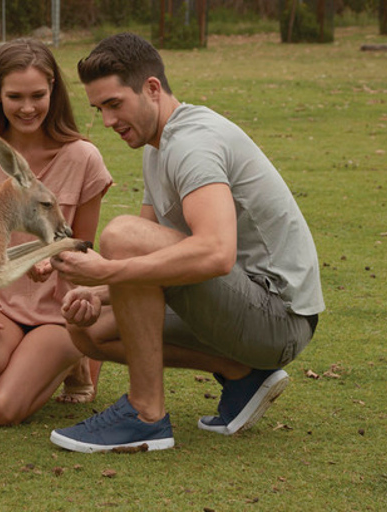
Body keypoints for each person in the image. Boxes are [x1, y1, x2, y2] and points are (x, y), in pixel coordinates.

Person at [48, 32, 325, 452]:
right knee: (88, 332)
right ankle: (239, 373)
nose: (106, 121)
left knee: (121, 234)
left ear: (152, 89)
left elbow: (215, 252)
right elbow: (140, 269)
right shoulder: (157, 147)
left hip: (278, 318)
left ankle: (146, 414)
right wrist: (97, 293)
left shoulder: (192, 143)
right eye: (99, 108)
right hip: (242, 308)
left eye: (114, 104)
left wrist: (107, 270)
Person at [0, 38, 113, 426]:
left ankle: (76, 361)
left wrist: (50, 261)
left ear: (53, 91)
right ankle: (11, 363)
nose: (27, 107)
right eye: (15, 96)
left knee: (0, 411)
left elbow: (82, 249)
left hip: (57, 310)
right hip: (1, 304)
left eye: (37, 95)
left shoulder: (82, 158)